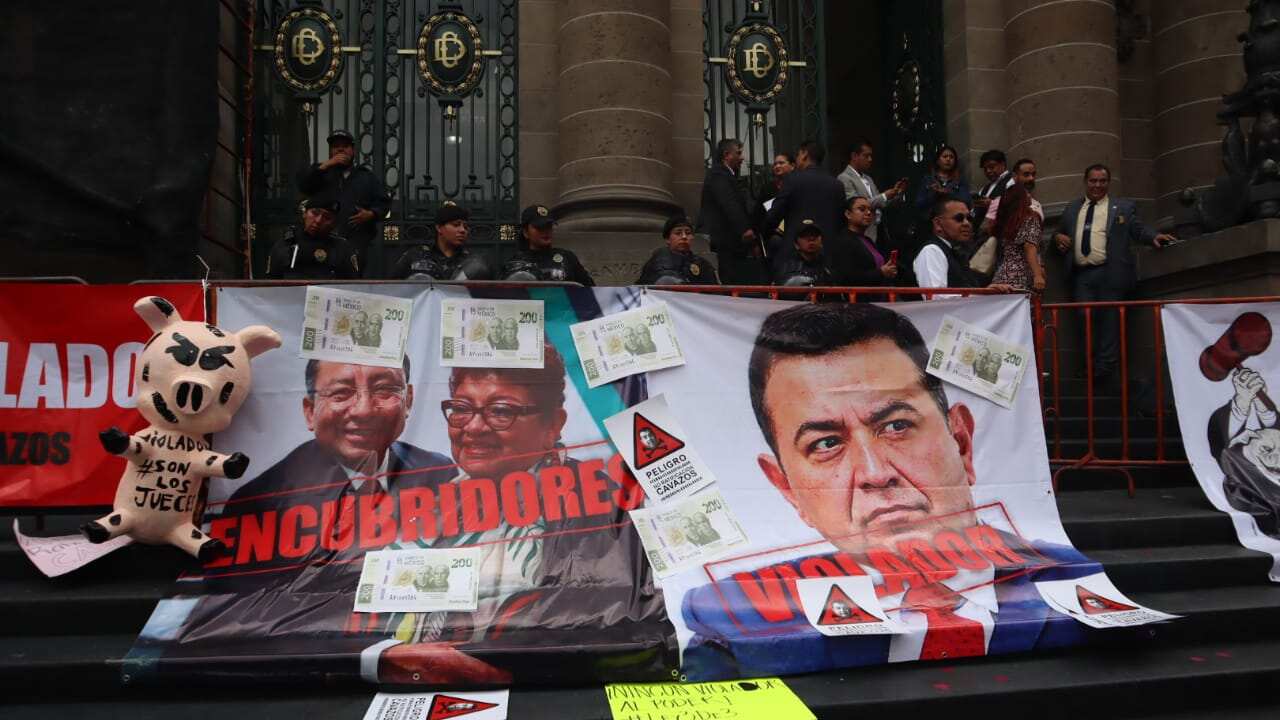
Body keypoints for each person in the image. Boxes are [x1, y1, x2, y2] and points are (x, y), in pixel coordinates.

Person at [679, 303, 1102, 680]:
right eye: (825, 444)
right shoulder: (735, 616)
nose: (875, 473)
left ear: (962, 443)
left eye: (896, 426)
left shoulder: (1073, 581)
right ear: (788, 489)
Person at [1052, 164, 1174, 385]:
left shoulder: (1123, 208)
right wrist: (1057, 238)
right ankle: (1090, 367)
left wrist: (1153, 236)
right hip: (1082, 276)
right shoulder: (1072, 208)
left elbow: (1138, 229)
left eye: (1102, 181)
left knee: (1110, 322)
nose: (1098, 185)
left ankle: (1105, 370)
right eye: (1093, 180)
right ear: (1085, 181)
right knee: (1084, 319)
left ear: (1108, 183)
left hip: (1111, 273)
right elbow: (1059, 232)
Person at [1206, 365, 1280, 539]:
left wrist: (1256, 404)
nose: (1277, 459)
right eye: (1267, 450)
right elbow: (1224, 447)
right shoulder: (1241, 483)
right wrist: (1245, 401)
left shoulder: (1249, 454)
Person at [295, 129, 391, 263]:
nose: (340, 150)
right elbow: (304, 186)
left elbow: (384, 204)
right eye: (335, 147)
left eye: (345, 146)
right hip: (321, 244)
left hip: (355, 243)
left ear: (353, 150)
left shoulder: (366, 177)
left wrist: (371, 214)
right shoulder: (320, 172)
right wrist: (326, 165)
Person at [912, 196, 1013, 298]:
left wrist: (987, 292)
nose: (966, 223)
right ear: (938, 224)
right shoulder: (931, 251)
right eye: (959, 218)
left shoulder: (954, 251)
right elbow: (936, 297)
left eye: (969, 218)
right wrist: (981, 296)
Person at [698, 138, 765, 284]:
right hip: (722, 240)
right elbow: (729, 202)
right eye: (739, 153)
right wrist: (745, 229)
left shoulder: (726, 175)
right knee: (729, 279)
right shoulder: (719, 174)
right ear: (727, 154)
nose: (742, 158)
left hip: (728, 240)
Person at [764, 140, 846, 256]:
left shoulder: (792, 180)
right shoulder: (837, 185)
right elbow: (841, 222)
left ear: (804, 155)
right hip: (828, 253)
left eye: (798, 155)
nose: (796, 159)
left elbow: (774, 216)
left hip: (797, 254)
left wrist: (765, 235)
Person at [263, 196, 361, 280]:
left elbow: (353, 287)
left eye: (327, 217)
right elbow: (270, 285)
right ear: (305, 213)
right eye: (315, 213)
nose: (318, 221)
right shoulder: (285, 245)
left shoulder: (342, 248)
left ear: (333, 223)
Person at [392, 202, 493, 280]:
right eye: (456, 225)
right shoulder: (415, 256)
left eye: (465, 227)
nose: (462, 230)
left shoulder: (474, 261)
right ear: (439, 228)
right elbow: (394, 290)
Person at [499, 204, 594, 285]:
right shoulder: (514, 264)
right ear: (525, 232)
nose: (545, 231)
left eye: (548, 226)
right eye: (539, 227)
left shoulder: (567, 258)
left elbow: (591, 291)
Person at [838, 139, 907, 244]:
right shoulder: (844, 178)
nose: (870, 159)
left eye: (871, 156)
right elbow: (857, 207)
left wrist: (897, 193)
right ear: (854, 156)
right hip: (863, 232)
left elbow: (881, 204)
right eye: (866, 156)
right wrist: (884, 196)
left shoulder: (868, 178)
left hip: (878, 229)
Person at [828, 195, 898, 289]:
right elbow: (846, 277)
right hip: (858, 301)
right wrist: (881, 272)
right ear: (848, 214)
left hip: (878, 298)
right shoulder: (843, 241)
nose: (868, 213)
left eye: (870, 209)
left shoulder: (868, 240)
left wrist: (888, 271)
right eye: (862, 209)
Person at [989, 184, 1047, 293]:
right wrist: (1037, 275)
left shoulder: (1008, 221)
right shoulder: (1030, 218)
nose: (1030, 196)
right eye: (1027, 194)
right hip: (1021, 277)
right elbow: (1029, 246)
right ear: (1021, 200)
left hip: (1002, 277)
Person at [636, 215, 720, 285]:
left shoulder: (702, 264)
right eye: (678, 233)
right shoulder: (659, 260)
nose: (684, 237)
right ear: (668, 239)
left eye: (688, 233)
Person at [981, 158, 1042, 235]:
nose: (1031, 178)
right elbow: (985, 230)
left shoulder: (1037, 205)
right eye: (1026, 174)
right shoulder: (999, 201)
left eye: (1033, 174)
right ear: (1015, 176)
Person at [755, 152, 796, 264]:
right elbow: (759, 214)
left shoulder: (798, 185)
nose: (777, 166)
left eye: (781, 163)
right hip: (772, 238)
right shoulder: (767, 188)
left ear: (792, 166)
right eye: (775, 164)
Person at [914, 144, 971, 217]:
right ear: (938, 161)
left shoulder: (960, 180)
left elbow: (967, 201)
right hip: (931, 221)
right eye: (945, 156)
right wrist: (934, 195)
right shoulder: (928, 180)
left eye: (951, 157)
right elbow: (919, 204)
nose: (948, 159)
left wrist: (947, 193)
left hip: (954, 221)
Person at [771, 219, 833, 286]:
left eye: (815, 235)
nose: (811, 239)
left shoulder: (830, 265)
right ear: (796, 244)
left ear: (821, 242)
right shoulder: (786, 268)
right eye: (805, 235)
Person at [972, 149, 1011, 221]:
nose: (988, 171)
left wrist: (991, 204)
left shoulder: (1012, 181)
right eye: (985, 169)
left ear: (1002, 164)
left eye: (991, 167)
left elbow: (1014, 206)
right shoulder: (985, 188)